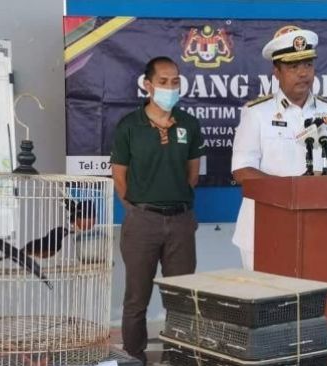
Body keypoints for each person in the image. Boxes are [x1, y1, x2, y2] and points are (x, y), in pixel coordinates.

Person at [231, 25, 327, 270]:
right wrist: (293, 193)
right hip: (265, 227)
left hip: (320, 226)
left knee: (315, 302)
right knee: (268, 304)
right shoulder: (256, 113)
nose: (303, 73)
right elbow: (242, 171)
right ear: (276, 72)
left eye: (308, 64)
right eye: (293, 66)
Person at [110, 56, 205, 364]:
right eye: (163, 82)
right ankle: (134, 357)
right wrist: (139, 209)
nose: (170, 87)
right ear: (148, 85)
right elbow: (120, 177)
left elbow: (193, 174)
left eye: (175, 81)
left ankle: (178, 357)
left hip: (180, 221)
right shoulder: (129, 126)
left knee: (182, 299)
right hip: (142, 222)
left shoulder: (189, 124)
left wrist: (175, 203)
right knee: (136, 299)